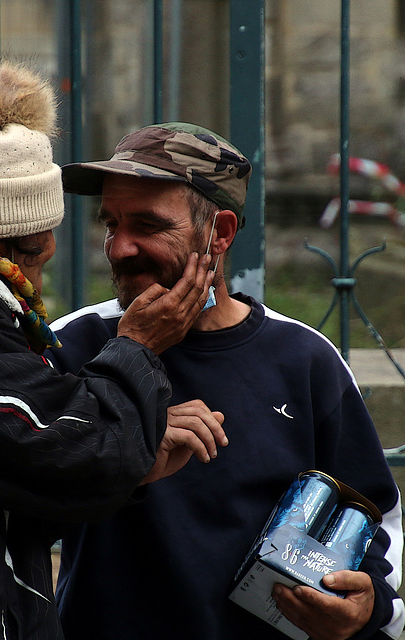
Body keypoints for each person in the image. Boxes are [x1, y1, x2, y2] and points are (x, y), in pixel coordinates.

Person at [0, 63, 223, 639]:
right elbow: (77, 460)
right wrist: (138, 348)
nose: (49, 255)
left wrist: (133, 449)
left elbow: (6, 467)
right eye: (34, 248)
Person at [48, 122, 405, 640]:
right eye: (111, 223)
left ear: (220, 233)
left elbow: (375, 522)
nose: (119, 248)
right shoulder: (73, 347)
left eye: (147, 225)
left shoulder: (303, 360)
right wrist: (131, 380)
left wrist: (366, 607)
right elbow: (21, 513)